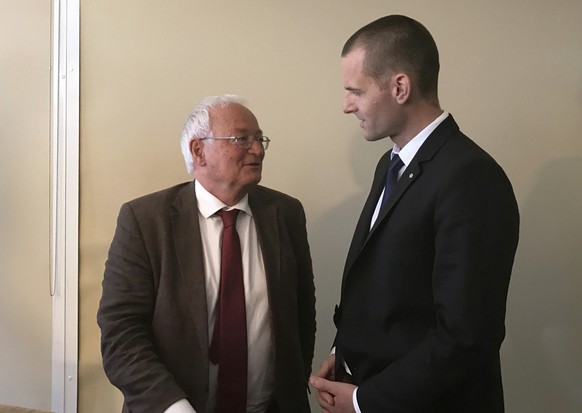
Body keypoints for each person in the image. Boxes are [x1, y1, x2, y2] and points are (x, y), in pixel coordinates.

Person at [310, 15, 519, 413]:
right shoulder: (391, 165)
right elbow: (391, 292)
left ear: (400, 87)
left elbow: (466, 337)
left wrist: (363, 401)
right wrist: (347, 352)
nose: (345, 105)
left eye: (355, 91)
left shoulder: (470, 177)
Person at [98, 95, 316, 413]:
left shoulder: (285, 213)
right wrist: (174, 407)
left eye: (259, 138)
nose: (257, 149)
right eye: (242, 139)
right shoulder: (145, 221)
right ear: (199, 150)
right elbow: (121, 332)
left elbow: (300, 315)